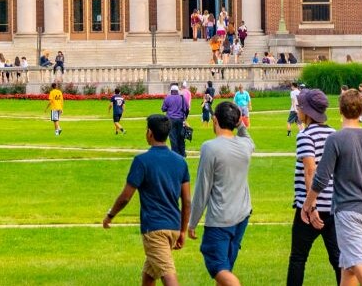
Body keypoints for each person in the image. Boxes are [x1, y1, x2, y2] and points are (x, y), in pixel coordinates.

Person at [301, 89, 362, 286]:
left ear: (340, 111)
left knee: (358, 263)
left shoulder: (336, 139)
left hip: (347, 212)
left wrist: (307, 205)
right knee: (348, 267)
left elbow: (320, 178)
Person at [103, 114, 192, 286]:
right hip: (173, 227)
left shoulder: (142, 161)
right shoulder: (180, 162)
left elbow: (125, 197)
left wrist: (110, 215)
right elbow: (187, 201)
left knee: (168, 274)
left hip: (154, 229)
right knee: (149, 274)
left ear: (150, 133)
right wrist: (182, 231)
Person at [189, 101, 254, 286]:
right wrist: (239, 122)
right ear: (236, 121)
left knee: (219, 268)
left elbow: (203, 188)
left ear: (214, 120)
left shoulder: (210, 148)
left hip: (220, 219)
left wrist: (192, 222)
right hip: (241, 216)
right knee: (226, 269)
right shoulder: (245, 146)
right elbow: (248, 137)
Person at [287, 90, 340, 286]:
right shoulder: (334, 134)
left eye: (300, 106)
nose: (297, 109)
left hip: (308, 207)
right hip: (333, 205)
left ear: (307, 112)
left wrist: (311, 206)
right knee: (338, 259)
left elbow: (310, 171)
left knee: (298, 258)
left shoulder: (305, 136)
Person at [162, 85, 190, 157]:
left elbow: (163, 109)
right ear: (178, 91)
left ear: (171, 91)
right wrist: (185, 118)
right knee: (181, 136)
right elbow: (187, 109)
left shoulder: (167, 98)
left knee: (173, 137)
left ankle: (175, 153)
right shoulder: (182, 98)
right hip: (181, 119)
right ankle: (182, 152)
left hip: (171, 119)